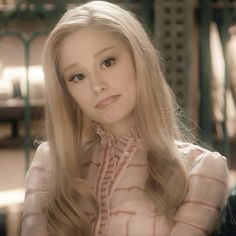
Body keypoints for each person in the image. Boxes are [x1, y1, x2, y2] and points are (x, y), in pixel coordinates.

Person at [21, 1, 229, 236]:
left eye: (107, 62)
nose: (97, 85)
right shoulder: (49, 166)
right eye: (77, 76)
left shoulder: (201, 171)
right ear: (67, 93)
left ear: (139, 59)